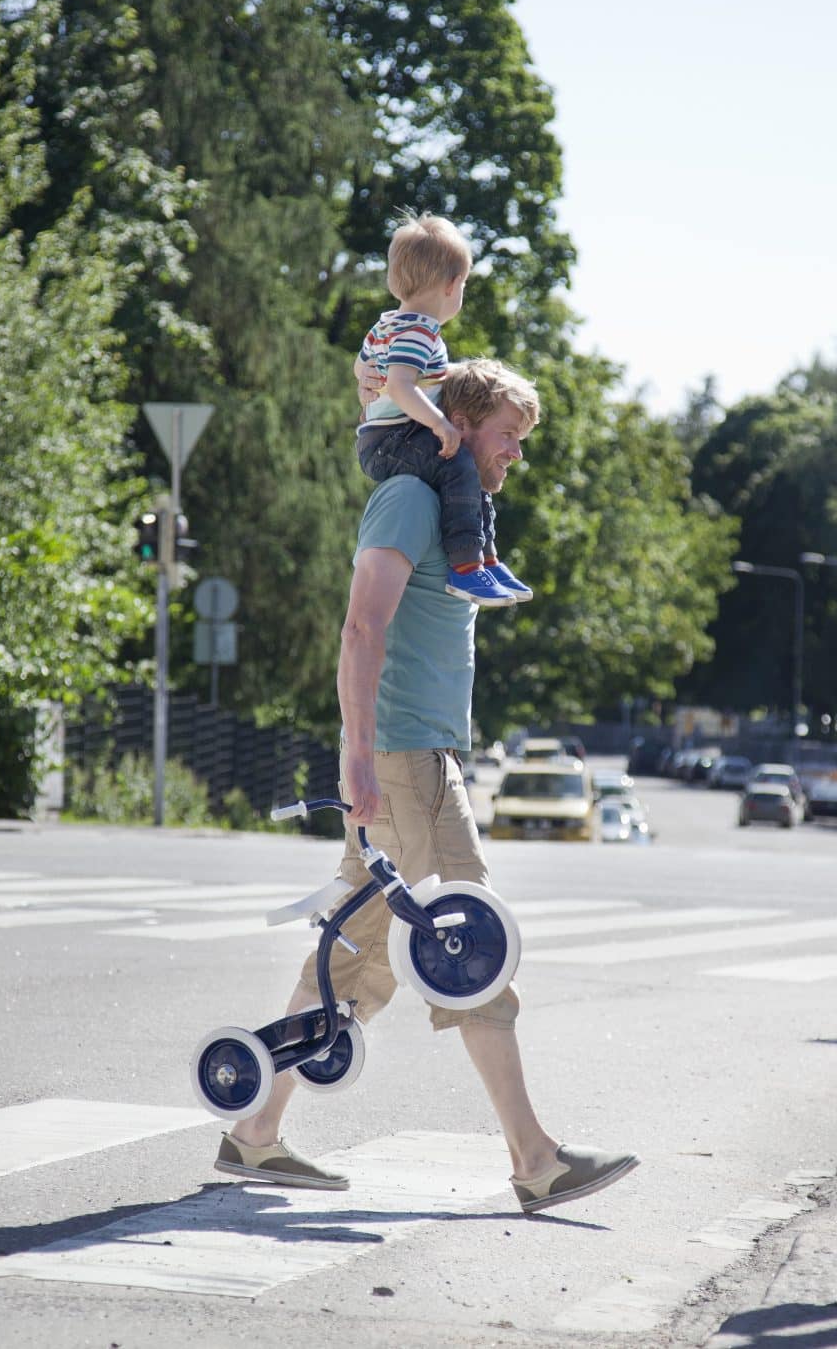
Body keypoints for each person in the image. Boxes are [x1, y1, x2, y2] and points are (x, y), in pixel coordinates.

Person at [214, 359, 638, 1216]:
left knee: (359, 950)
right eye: (509, 435)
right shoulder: (410, 496)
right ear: (464, 422)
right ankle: (535, 1157)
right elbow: (362, 624)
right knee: (467, 939)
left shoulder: (445, 506)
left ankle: (254, 1131)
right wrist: (363, 753)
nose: (516, 454)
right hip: (404, 758)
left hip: (417, 755)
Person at [350, 211, 531, 609]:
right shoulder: (419, 330)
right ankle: (466, 569)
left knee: (465, 472)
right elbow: (401, 385)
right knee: (459, 465)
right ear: (452, 285)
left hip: (386, 439)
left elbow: (364, 365)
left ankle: (486, 557)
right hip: (391, 442)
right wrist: (442, 424)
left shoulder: (390, 323)